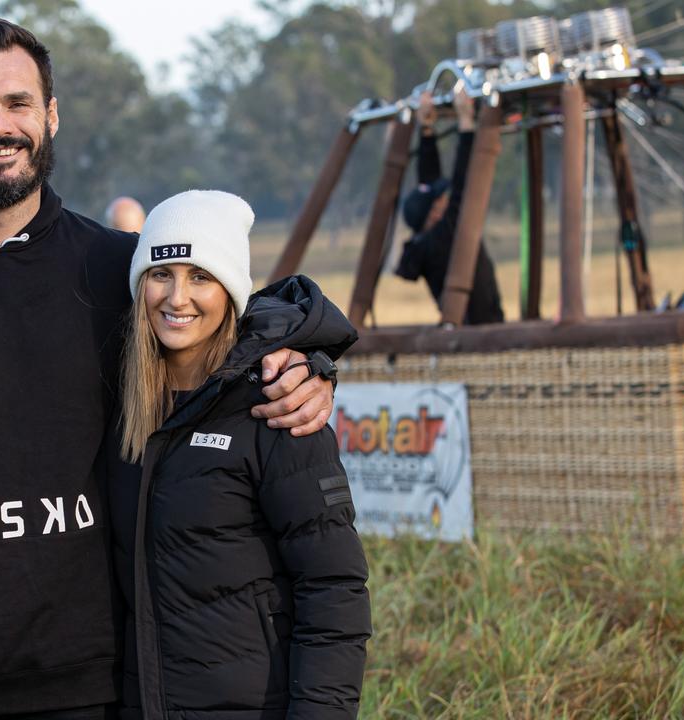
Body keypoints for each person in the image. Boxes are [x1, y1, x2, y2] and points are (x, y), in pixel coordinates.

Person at [0, 18, 338, 720]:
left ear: (50, 116)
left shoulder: (113, 265)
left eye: (18, 104)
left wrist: (308, 362)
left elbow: (225, 325)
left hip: (99, 676)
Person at [109, 190, 371, 720]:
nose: (177, 297)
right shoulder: (122, 409)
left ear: (230, 292)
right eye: (161, 274)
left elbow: (333, 589)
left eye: (200, 277)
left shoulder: (278, 405)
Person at [395, 88, 505, 325]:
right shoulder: (445, 235)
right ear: (435, 212)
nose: (444, 198)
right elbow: (463, 186)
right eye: (439, 200)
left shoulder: (429, 237)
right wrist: (466, 125)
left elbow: (429, 178)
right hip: (481, 331)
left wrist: (426, 130)